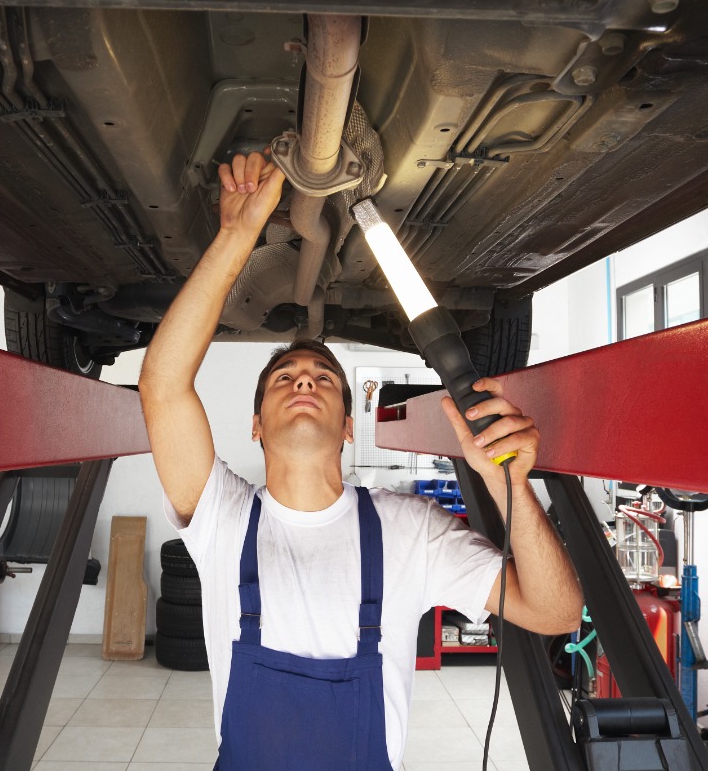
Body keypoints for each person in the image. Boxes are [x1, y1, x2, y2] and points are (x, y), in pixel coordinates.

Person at [139, 150, 583, 771]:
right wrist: (237, 235)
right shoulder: (222, 519)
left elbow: (558, 612)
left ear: (348, 426)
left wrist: (515, 489)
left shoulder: (411, 530)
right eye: (284, 377)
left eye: (323, 376)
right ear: (256, 425)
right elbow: (162, 384)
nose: (303, 380)